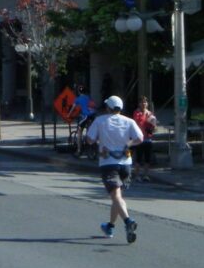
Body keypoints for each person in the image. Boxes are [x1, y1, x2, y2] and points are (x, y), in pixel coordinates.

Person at [86, 95, 144, 244]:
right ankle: (110, 226)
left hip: (108, 163)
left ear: (108, 108)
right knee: (117, 197)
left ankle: (128, 221)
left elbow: (89, 139)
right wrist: (128, 144)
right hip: (126, 163)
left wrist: (99, 141)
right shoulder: (129, 121)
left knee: (116, 197)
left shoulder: (100, 120)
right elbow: (140, 138)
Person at [131, 96, 157, 182]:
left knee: (147, 159)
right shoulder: (137, 113)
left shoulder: (150, 113)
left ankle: (146, 175)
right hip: (139, 139)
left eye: (145, 102)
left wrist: (153, 126)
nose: (144, 104)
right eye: (142, 102)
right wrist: (147, 120)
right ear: (139, 104)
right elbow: (138, 122)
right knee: (138, 158)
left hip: (148, 138)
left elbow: (154, 126)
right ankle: (137, 175)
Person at [67, 85, 95, 157]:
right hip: (92, 115)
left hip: (85, 116)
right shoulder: (89, 97)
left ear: (78, 92)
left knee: (79, 131)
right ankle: (91, 149)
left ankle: (79, 150)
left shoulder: (77, 99)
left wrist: (68, 115)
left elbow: (72, 108)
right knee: (89, 131)